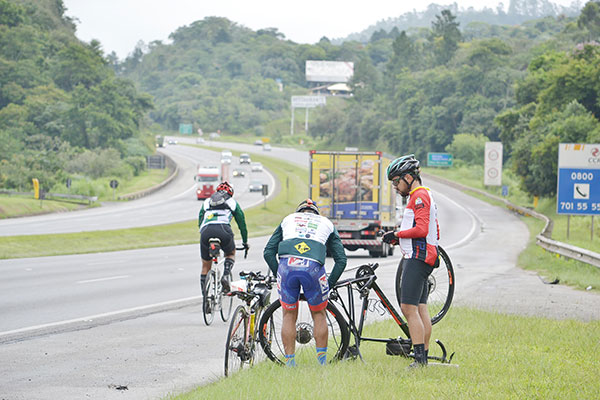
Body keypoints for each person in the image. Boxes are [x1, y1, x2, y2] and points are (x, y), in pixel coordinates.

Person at [263, 199, 347, 367]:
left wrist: (278, 274)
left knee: (288, 315)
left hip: (287, 268)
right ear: (316, 213)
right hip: (313, 269)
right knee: (319, 314)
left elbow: (268, 252)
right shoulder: (326, 223)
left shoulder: (288, 219)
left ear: (299, 212)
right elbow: (341, 260)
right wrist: (328, 284)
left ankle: (290, 364)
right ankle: (322, 364)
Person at [381, 154, 440, 368]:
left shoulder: (419, 196)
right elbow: (418, 231)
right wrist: (398, 238)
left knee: (408, 308)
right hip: (420, 255)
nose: (395, 186)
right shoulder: (420, 195)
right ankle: (422, 357)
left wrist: (397, 235)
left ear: (408, 177)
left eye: (397, 181)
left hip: (418, 258)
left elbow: (422, 230)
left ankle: (418, 360)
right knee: (421, 307)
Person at [198, 182, 249, 294]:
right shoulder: (232, 202)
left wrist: (202, 233)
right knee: (230, 253)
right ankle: (226, 275)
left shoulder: (207, 202)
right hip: (224, 230)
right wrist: (245, 242)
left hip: (206, 232)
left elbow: (200, 219)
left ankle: (205, 297)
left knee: (206, 266)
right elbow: (242, 225)